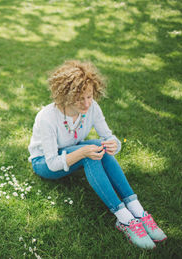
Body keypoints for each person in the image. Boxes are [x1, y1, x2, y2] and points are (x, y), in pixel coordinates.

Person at [28, 60, 166, 249]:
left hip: (70, 152)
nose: (86, 103)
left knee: (97, 146)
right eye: (79, 99)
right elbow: (52, 163)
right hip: (44, 163)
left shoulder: (92, 107)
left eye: (89, 96)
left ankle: (137, 211)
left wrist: (113, 146)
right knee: (90, 151)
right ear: (65, 96)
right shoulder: (47, 117)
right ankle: (124, 219)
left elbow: (110, 138)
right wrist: (83, 152)